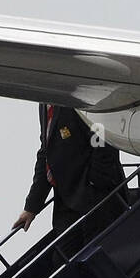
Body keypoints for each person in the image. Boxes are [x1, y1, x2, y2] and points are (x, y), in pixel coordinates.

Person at [12, 104, 127, 259]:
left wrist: (95, 181)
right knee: (62, 260)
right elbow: (46, 152)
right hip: (66, 199)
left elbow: (101, 132)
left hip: (95, 198)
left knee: (94, 260)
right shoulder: (44, 101)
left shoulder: (76, 92)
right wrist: (32, 207)